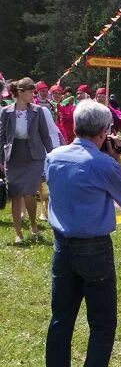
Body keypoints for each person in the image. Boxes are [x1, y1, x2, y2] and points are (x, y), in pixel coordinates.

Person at [41, 99, 121, 367]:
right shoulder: (102, 163)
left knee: (61, 319)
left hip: (62, 245)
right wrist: (115, 161)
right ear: (104, 131)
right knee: (102, 321)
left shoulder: (54, 157)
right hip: (94, 247)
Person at [1, 77, 53, 244]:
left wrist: (52, 155)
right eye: (31, 92)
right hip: (13, 156)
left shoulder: (38, 111)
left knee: (30, 192)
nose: (33, 95)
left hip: (34, 157)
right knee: (15, 194)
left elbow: (45, 135)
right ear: (20, 92)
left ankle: (33, 225)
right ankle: (18, 233)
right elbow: (1, 137)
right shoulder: (6, 112)